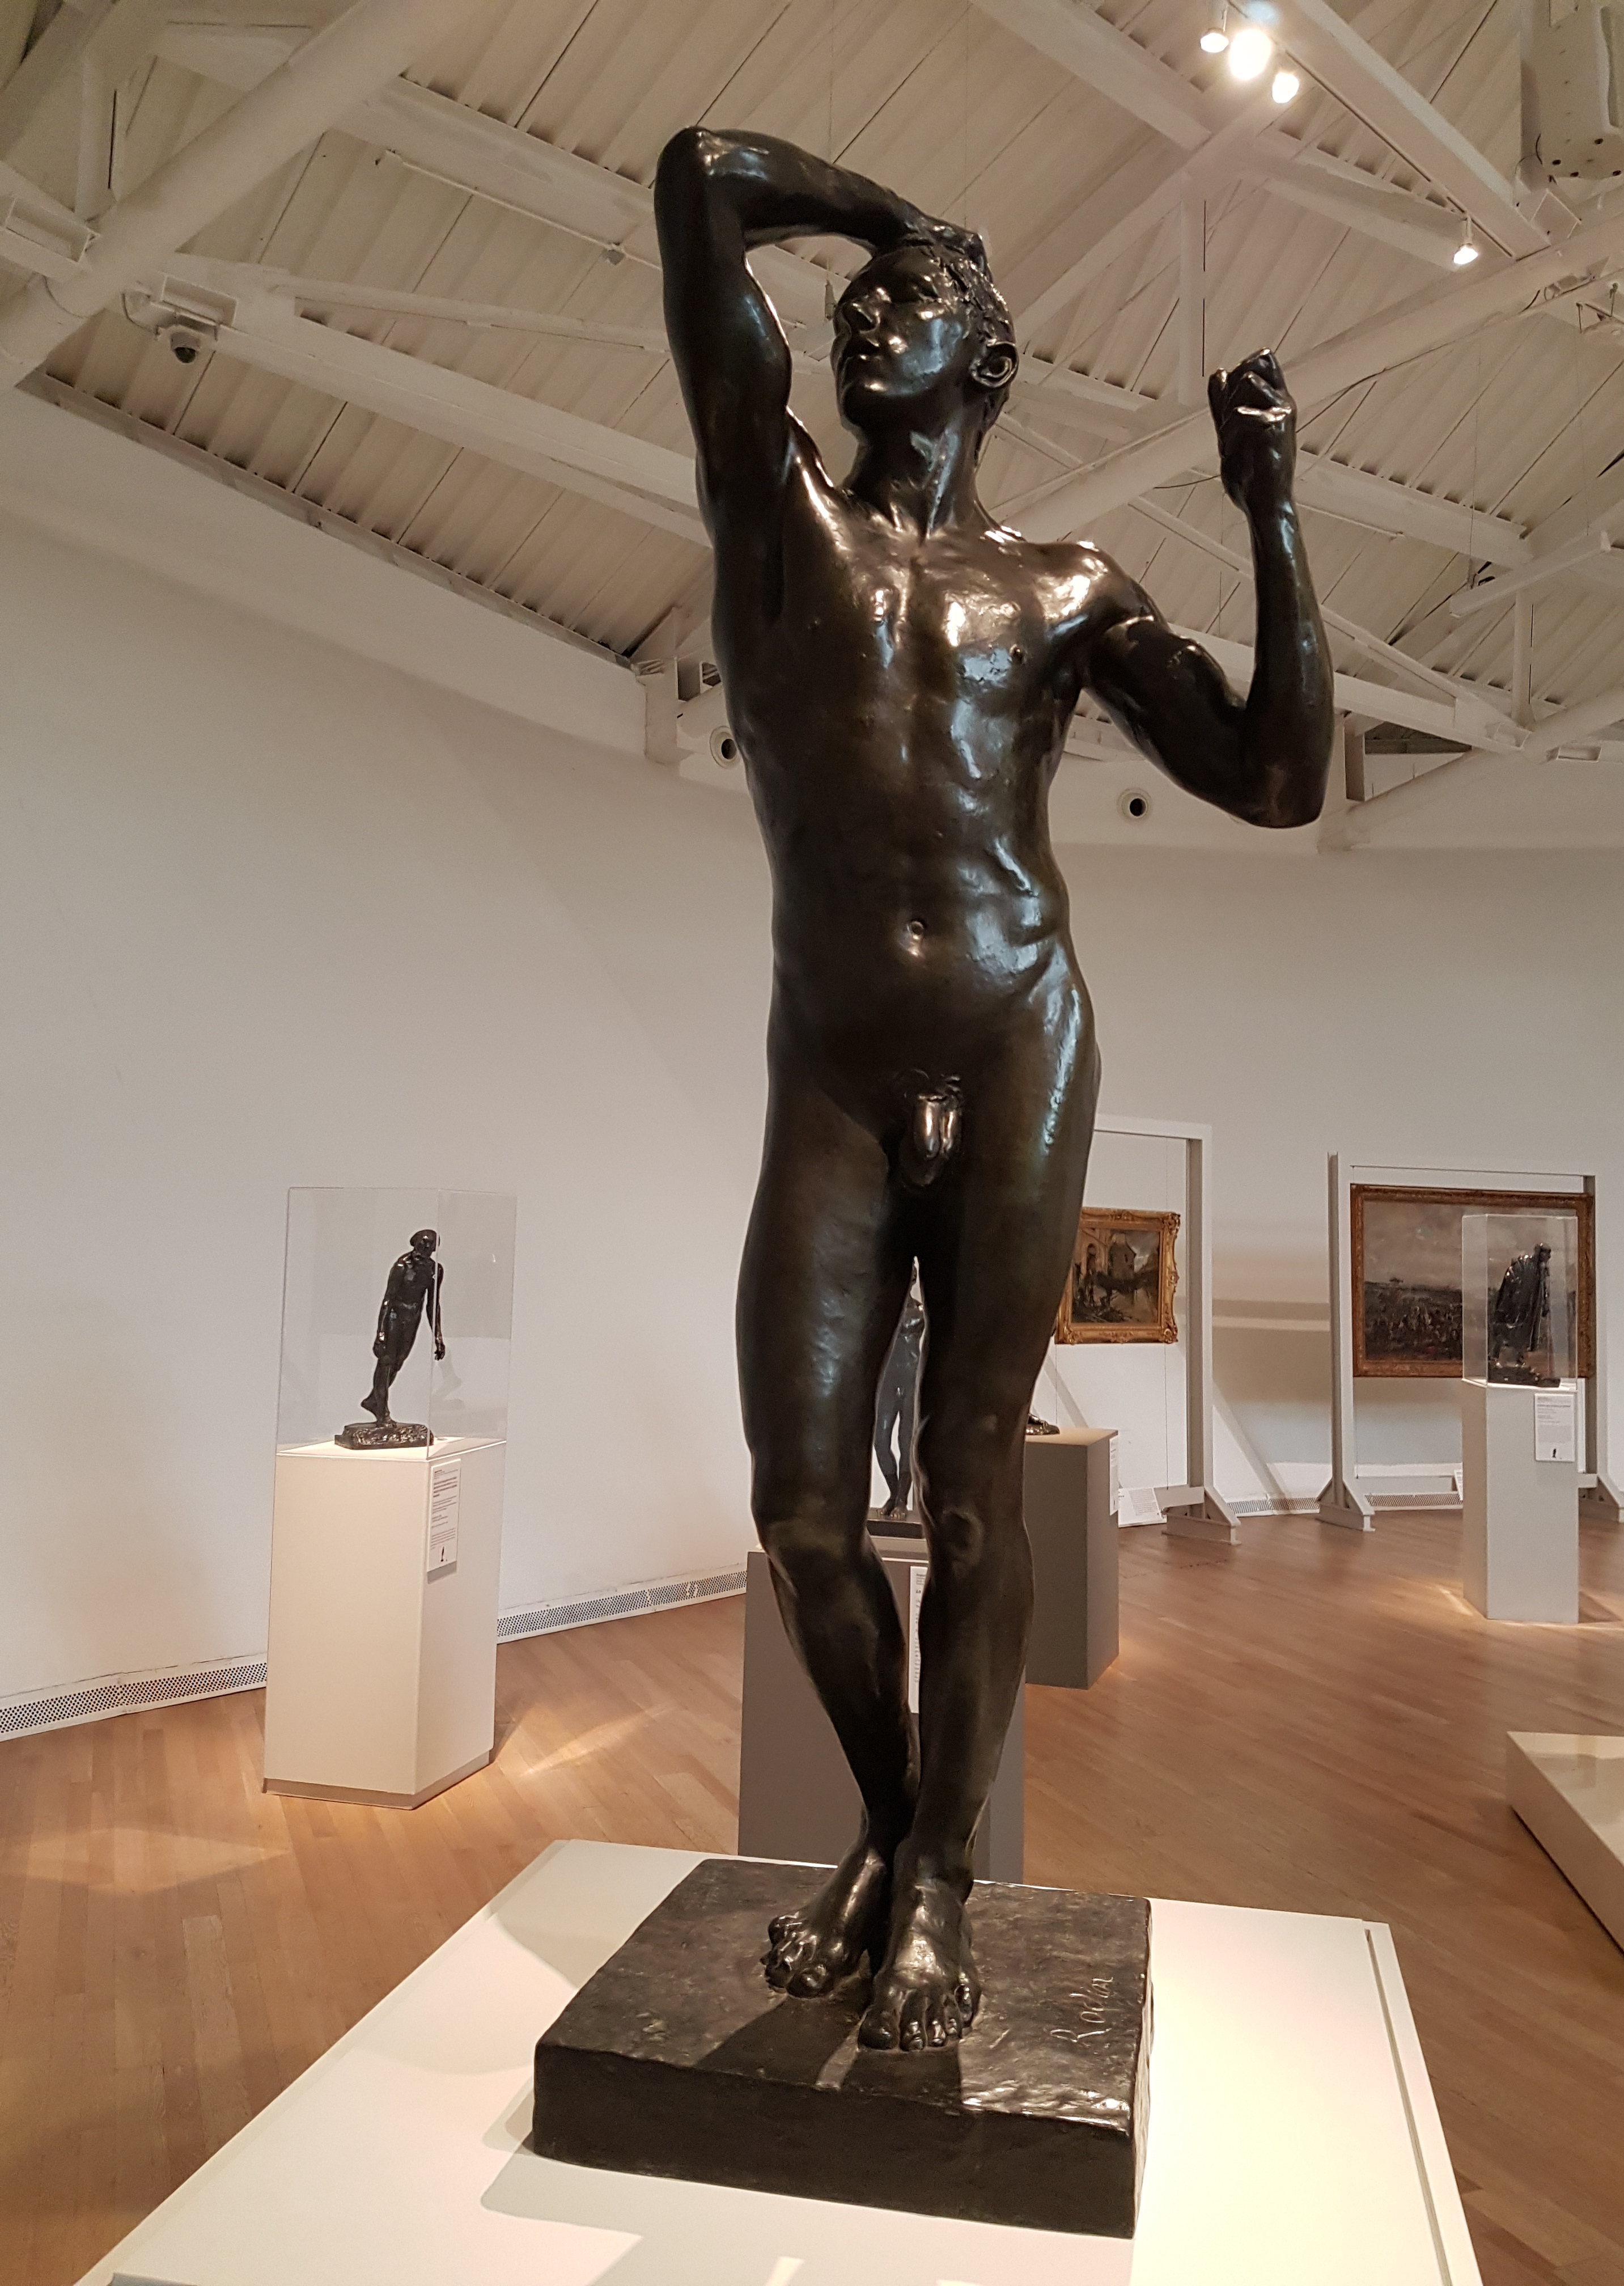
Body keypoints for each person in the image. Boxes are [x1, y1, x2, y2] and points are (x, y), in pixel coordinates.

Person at [655, 128, 1331, 2053]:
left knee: (968, 1492)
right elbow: (701, 178)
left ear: (991, 364)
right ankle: (895, 1828)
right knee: (802, 1509)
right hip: (832, 1064)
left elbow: (1278, 779)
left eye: (915, 303)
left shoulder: (1063, 589)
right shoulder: (775, 515)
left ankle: (934, 1876)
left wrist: (1272, 514)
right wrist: (905, 213)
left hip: (1019, 1034)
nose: (868, 316)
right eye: (858, 300)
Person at [360, 1228, 445, 1425]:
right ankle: (382, 1412)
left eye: (431, 1244)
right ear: (415, 1242)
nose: (426, 1247)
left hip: (412, 1320)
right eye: (423, 1242)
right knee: (386, 1362)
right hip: (394, 1317)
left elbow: (433, 1305)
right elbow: (388, 1300)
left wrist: (438, 1336)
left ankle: (374, 1400)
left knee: (398, 1363)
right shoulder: (402, 1266)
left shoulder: (435, 1270)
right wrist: (381, 1332)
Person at [873, 1275, 926, 1519]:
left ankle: (902, 1500)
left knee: (907, 1443)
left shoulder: (919, 1312)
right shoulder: (883, 1307)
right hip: (888, 1380)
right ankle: (894, 1493)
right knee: (881, 1441)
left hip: (911, 1380)